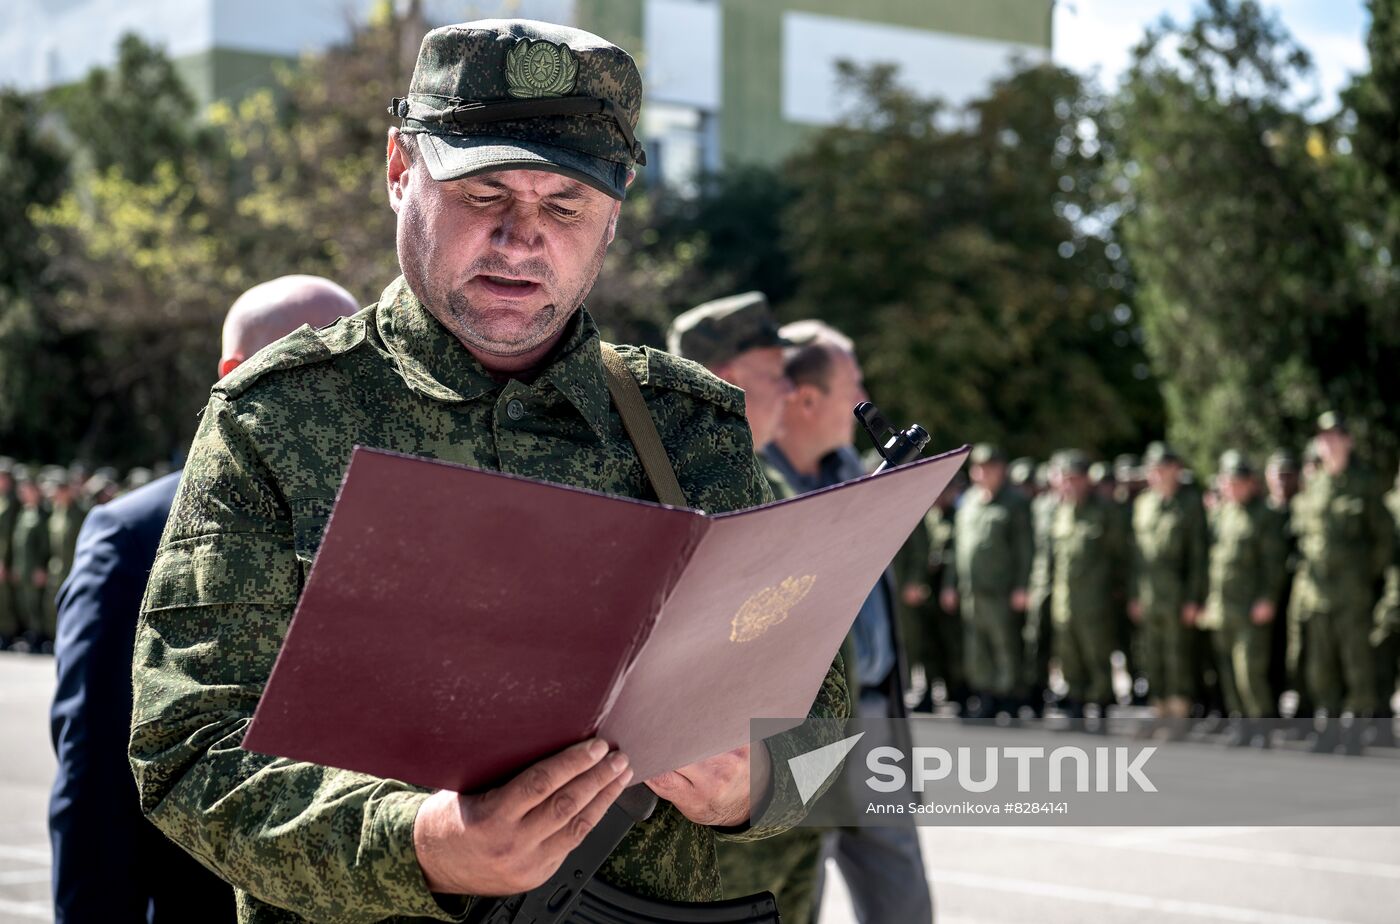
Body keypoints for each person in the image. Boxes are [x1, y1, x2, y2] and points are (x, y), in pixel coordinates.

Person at [127, 21, 848, 923]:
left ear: (614, 213)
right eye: (484, 193)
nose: (520, 238)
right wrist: (421, 842)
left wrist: (754, 785)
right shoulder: (278, 418)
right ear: (399, 171)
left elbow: (830, 741)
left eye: (565, 207)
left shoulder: (687, 429)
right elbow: (187, 751)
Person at [49, 274, 359, 924]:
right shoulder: (134, 536)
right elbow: (98, 787)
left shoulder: (391, 525)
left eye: (348, 366)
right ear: (232, 374)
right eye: (300, 364)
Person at [765, 320, 933, 924]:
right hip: (797, 733)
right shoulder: (748, 483)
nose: (866, 392)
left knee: (902, 898)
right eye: (852, 381)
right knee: (793, 897)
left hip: (874, 721)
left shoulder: (856, 474)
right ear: (806, 398)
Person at [667, 292, 825, 923]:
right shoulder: (663, 484)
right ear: (726, 379)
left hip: (791, 810)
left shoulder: (779, 488)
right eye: (775, 373)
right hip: (709, 837)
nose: (790, 391)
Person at [1291, 412, 1392, 754]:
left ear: (1348, 441)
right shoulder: (1314, 485)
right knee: (1322, 666)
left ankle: (1355, 725)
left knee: (1356, 663)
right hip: (1318, 595)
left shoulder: (1364, 482)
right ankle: (1329, 723)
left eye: (1335, 436)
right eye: (1323, 437)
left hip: (1353, 594)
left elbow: (1385, 538)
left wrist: (1365, 575)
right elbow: (1305, 540)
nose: (1329, 443)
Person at [1034, 450, 1129, 727]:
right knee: (1068, 656)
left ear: (1087, 479)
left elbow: (1119, 556)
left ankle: (1100, 705)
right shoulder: (1058, 512)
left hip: (1096, 601)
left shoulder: (1105, 511)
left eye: (1074, 478)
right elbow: (1050, 560)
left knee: (1097, 655)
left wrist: (1118, 593)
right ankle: (1075, 704)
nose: (1069, 484)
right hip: (1064, 601)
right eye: (1064, 479)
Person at [941, 444, 1033, 719]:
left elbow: (1025, 548)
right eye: (978, 468)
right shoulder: (968, 502)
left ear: (1002, 470)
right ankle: (986, 696)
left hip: (1001, 591)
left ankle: (1010, 696)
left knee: (1005, 644)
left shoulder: (1015, 502)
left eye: (990, 467)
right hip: (972, 590)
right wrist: (950, 584)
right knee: (976, 646)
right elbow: (958, 548)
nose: (983, 473)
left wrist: (1022, 585)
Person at [1201, 451, 1285, 746]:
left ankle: (1261, 723)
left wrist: (1267, 598)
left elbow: (1274, 564)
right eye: (1228, 482)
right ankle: (1241, 723)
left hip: (1251, 606)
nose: (1233, 488)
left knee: (1249, 670)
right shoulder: (1222, 514)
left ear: (1251, 483)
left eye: (1239, 482)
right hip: (1222, 607)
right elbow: (1212, 561)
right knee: (1227, 670)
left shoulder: (1264, 516)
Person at [1129, 442, 1208, 730]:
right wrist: (1134, 594)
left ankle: (1179, 711)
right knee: (1152, 654)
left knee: (1178, 655)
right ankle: (1158, 707)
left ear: (1176, 470)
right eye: (1153, 469)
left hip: (1176, 594)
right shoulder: (1143, 504)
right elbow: (1136, 556)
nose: (1157, 474)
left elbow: (1198, 557)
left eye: (1163, 468)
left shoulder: (1189, 504)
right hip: (1149, 594)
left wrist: (1193, 598)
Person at [11, 471, 50, 651]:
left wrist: (42, 566)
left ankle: (40, 637)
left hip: (35, 568)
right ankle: (30, 635)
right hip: (23, 566)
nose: (25, 494)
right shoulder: (24, 512)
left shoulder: (43, 514)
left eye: (29, 490)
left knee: (37, 605)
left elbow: (45, 543)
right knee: (25, 603)